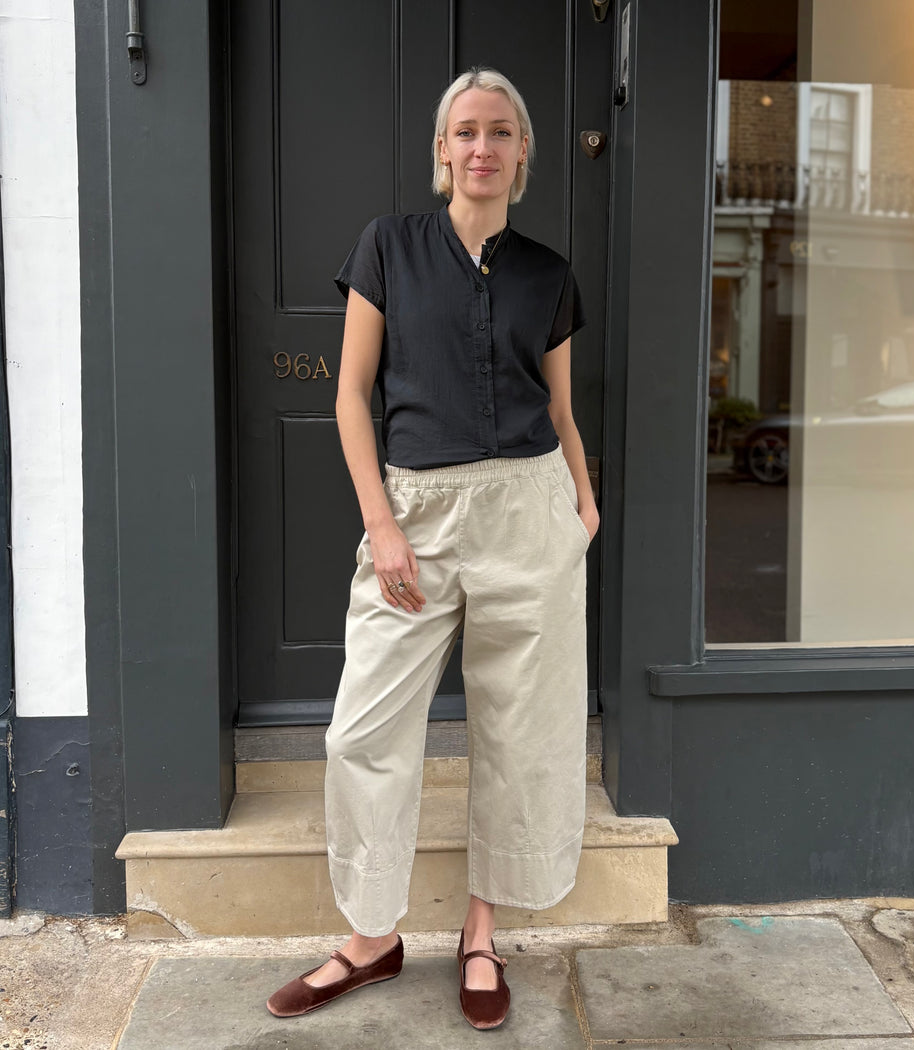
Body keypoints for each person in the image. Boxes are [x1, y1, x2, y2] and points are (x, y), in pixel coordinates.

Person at [266, 66, 597, 1031]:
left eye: (500, 132)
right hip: (414, 512)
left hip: (530, 513)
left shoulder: (548, 274)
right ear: (442, 150)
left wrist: (583, 504)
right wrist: (381, 523)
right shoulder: (388, 247)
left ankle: (481, 934)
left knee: (522, 733)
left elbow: (560, 409)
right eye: (466, 131)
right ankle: (371, 938)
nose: (482, 147)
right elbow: (348, 395)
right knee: (362, 730)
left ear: (523, 154)